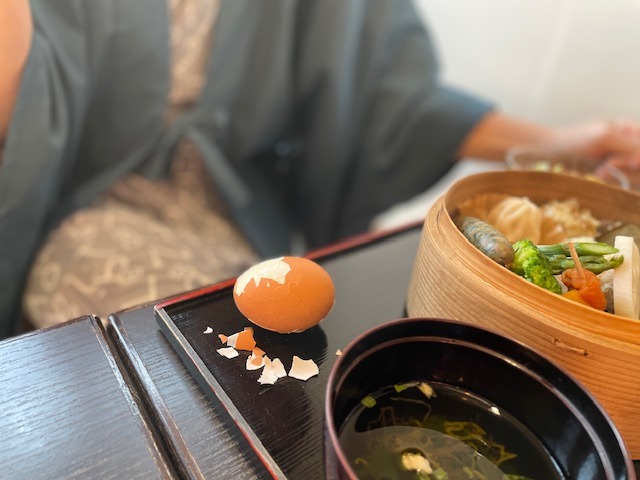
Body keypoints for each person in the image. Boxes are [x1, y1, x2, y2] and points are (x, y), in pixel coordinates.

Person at [2, 0, 640, 338]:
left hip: (238, 215)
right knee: (162, 359)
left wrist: (560, 141)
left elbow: (390, 98)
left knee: (284, 357)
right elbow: (26, 99)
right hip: (88, 205)